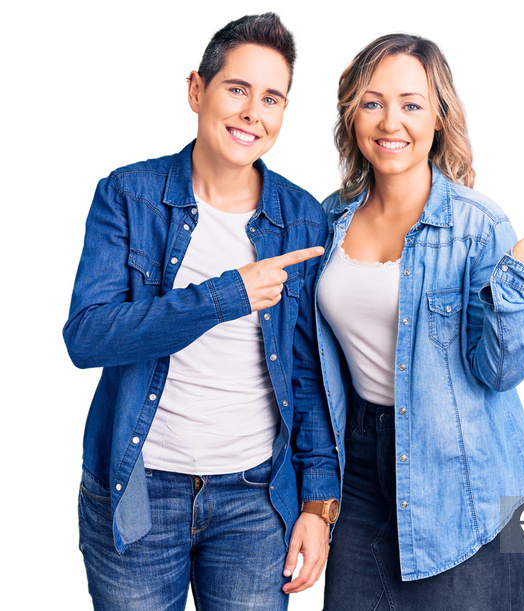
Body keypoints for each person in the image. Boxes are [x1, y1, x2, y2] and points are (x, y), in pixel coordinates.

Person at [315, 34, 524, 610]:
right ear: (351, 113)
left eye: (411, 103)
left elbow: (501, 371)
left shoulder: (478, 225)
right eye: (372, 101)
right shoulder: (329, 218)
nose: (391, 121)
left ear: (439, 116)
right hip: (358, 472)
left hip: (466, 484)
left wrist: (516, 277)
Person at [63, 13, 340, 610]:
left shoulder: (299, 219)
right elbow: (87, 337)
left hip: (255, 502)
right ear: (197, 90)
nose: (252, 113)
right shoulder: (129, 195)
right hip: (138, 489)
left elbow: (308, 372)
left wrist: (318, 504)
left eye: (272, 99)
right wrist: (222, 296)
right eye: (237, 89)